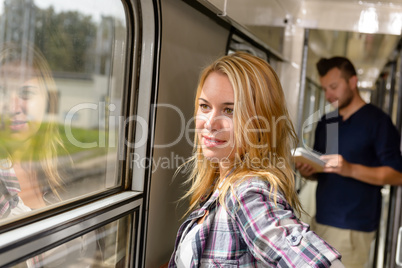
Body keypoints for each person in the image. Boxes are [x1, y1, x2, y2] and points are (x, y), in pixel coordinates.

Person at [168, 52, 343, 267]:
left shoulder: (246, 193)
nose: (210, 123)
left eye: (229, 110)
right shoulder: (218, 183)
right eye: (205, 106)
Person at [296, 56, 402, 268]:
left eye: (333, 87)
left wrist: (350, 169)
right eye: (325, 89)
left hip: (353, 227)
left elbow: (397, 175)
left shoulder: (378, 122)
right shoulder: (327, 122)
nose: (328, 95)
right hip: (320, 220)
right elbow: (321, 170)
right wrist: (308, 171)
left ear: (353, 82)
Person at [0, 42, 65, 220]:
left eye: (26, 93)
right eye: (2, 93)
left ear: (48, 101)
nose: (12, 107)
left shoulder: (63, 169)